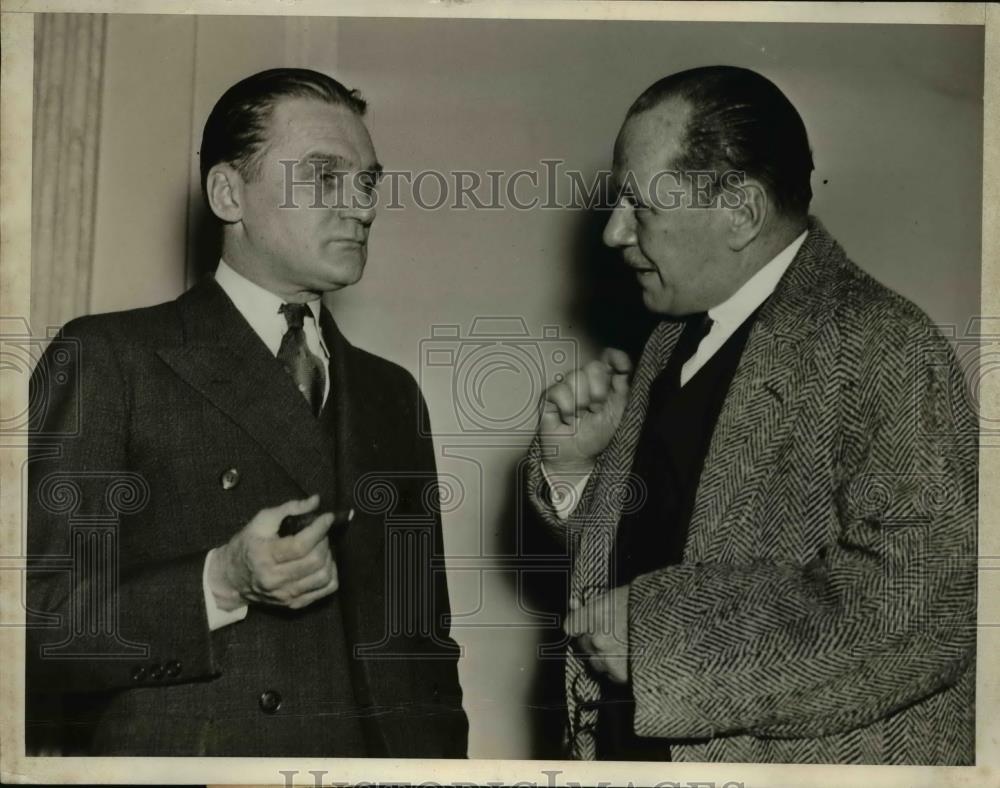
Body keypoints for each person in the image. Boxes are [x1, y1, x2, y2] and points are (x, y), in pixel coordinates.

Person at [528, 65, 976, 764]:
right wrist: (574, 473)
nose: (615, 234)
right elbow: (664, 548)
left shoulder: (885, 343)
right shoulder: (669, 343)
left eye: (640, 207)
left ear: (740, 210)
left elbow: (923, 613)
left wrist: (661, 639)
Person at [26, 68, 467, 757]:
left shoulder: (393, 393)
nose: (361, 206)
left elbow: (423, 643)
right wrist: (219, 580)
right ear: (230, 193)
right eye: (325, 177)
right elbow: (37, 627)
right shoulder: (110, 356)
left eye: (369, 181)